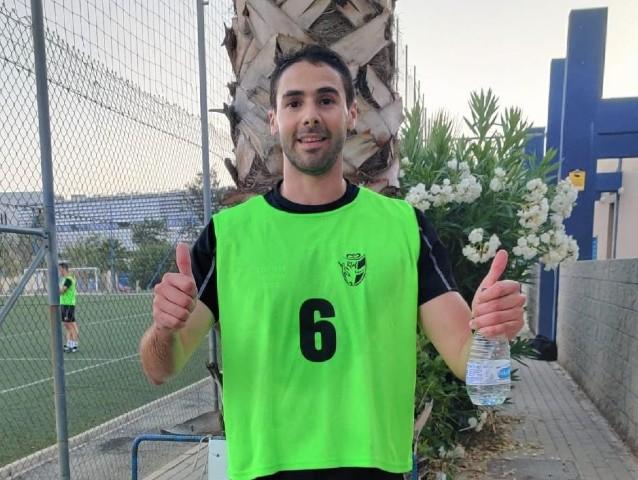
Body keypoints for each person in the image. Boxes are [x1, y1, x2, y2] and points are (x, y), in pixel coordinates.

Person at [139, 45, 525, 480]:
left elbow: (463, 355)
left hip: (374, 470)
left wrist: (491, 330)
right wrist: (163, 329)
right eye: (293, 102)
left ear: (351, 114)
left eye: (326, 100)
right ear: (273, 121)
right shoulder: (229, 236)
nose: (310, 116)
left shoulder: (403, 227)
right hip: (264, 471)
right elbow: (159, 367)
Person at [59, 261, 79, 353]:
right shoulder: (65, 279)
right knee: (67, 325)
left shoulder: (68, 279)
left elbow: (62, 291)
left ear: (64, 269)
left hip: (68, 305)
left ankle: (74, 345)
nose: (59, 271)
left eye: (60, 269)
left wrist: (54, 289)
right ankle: (69, 344)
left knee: (69, 325)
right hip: (64, 304)